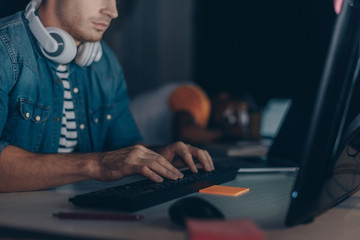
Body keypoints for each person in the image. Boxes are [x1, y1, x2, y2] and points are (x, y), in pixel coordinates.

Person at [0, 0, 214, 193]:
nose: (113, 11)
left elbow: (125, 145)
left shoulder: (106, 63)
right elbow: (106, 162)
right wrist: (97, 164)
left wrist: (158, 155)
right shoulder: (5, 49)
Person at [130, 82, 261, 146]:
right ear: (223, 97)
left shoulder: (201, 119)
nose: (233, 120)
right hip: (116, 144)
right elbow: (185, 134)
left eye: (240, 121)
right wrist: (227, 132)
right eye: (235, 112)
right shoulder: (196, 98)